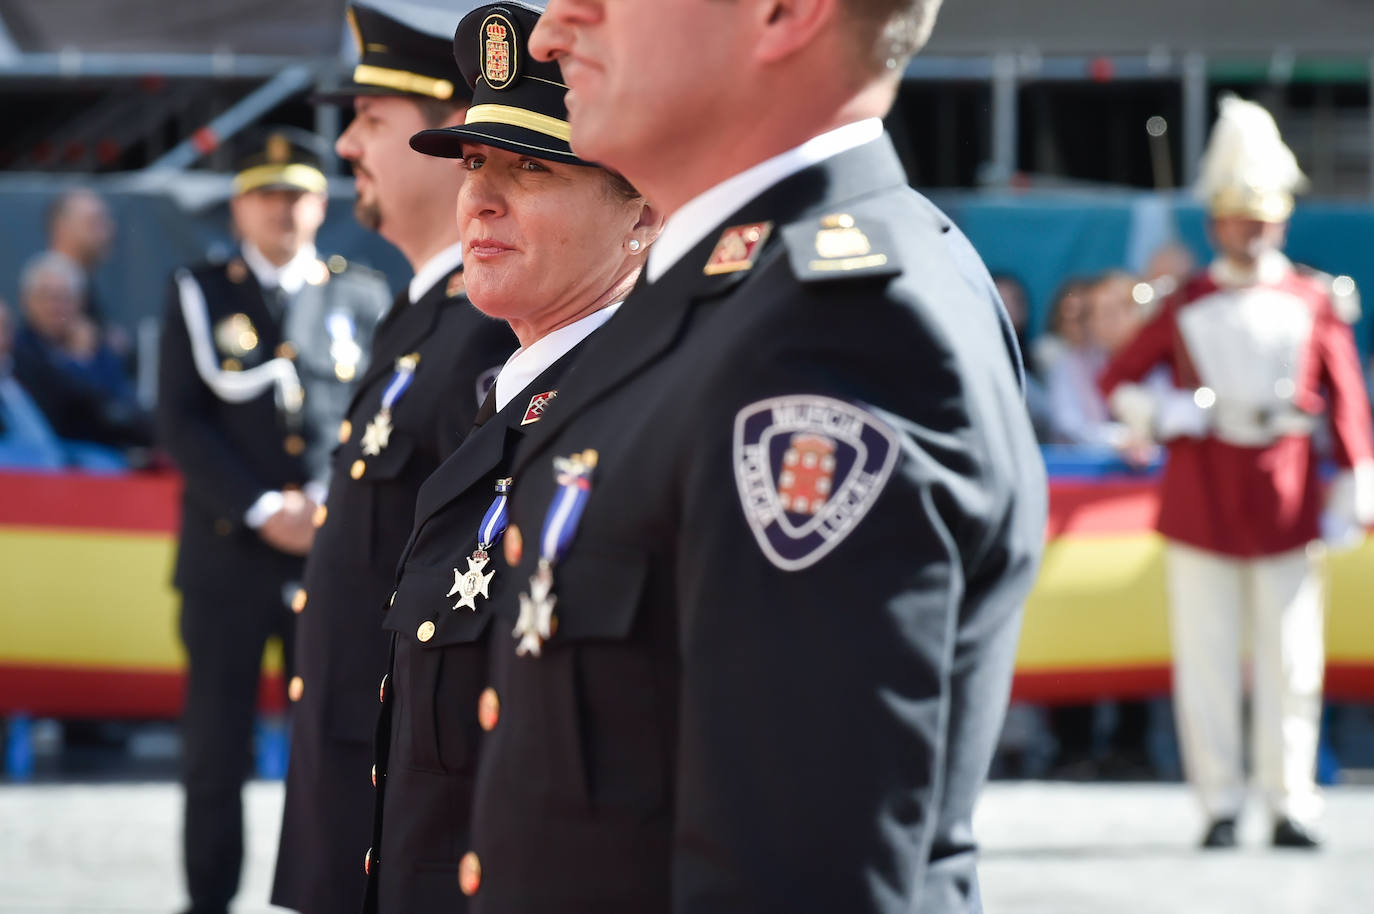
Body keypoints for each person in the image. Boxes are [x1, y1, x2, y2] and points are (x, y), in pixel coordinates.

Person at [438, 0, 1046, 910]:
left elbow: (797, 875)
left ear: (784, 13)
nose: (555, 26)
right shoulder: (727, 299)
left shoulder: (835, 335)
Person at [360, 7, 659, 909]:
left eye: (532, 167)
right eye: (477, 163)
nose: (479, 199)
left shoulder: (639, 412)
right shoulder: (515, 392)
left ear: (641, 212)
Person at [271, 6, 518, 913]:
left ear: (448, 133)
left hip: (405, 809)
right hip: (351, 786)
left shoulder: (487, 329)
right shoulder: (417, 316)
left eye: (370, 119)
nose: (344, 148)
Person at [1099, 95, 1374, 850]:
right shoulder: (1186, 301)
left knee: (1293, 660)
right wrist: (1165, 415)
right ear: (1214, 223)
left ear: (1280, 221)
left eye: (1258, 220)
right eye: (1232, 219)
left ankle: (1292, 801)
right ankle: (1219, 802)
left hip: (1287, 495)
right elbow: (1117, 379)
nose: (1246, 233)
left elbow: (1346, 398)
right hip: (1201, 495)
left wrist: (1354, 486)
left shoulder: (1314, 299)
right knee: (1208, 657)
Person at [157, 127, 391, 914]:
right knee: (213, 756)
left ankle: (326, 898)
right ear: (237, 205)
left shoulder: (361, 293)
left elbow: (374, 419)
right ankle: (209, 901)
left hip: (328, 557)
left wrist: (326, 501)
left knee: (333, 748)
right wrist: (262, 509)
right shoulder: (199, 289)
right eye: (265, 193)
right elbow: (181, 423)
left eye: (296, 193)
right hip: (227, 560)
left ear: (323, 203)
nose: (281, 209)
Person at [12, 250, 151, 456]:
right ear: (26, 301)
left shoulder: (99, 350)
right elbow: (62, 410)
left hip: (108, 451)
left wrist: (88, 359)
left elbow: (120, 403)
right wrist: (78, 362)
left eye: (64, 298)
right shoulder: (18, 350)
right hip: (49, 459)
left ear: (81, 302)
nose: (54, 306)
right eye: (45, 296)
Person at [0, 296, 66, 469]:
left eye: (4, 327)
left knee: (102, 460)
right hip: (14, 471)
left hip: (53, 458)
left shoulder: (25, 368)